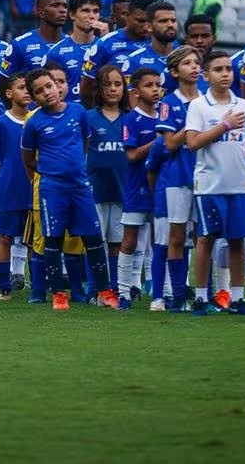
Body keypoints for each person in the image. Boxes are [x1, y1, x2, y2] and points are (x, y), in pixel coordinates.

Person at [20, 68, 118, 311]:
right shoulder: (34, 122)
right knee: (53, 241)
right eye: (39, 91)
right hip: (52, 189)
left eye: (49, 86)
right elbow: (28, 158)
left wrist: (75, 169)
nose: (47, 93)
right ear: (34, 97)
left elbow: (84, 143)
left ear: (58, 85)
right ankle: (58, 294)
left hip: (80, 188)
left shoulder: (78, 112)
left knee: (93, 239)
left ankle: (105, 292)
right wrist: (49, 172)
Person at [183, 50, 245, 317]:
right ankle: (201, 297)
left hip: (239, 185)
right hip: (210, 186)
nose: (225, 73)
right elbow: (192, 142)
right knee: (206, 240)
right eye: (218, 69)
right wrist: (223, 126)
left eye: (228, 68)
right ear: (206, 75)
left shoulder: (244, 106)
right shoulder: (199, 106)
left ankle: (237, 298)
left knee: (237, 241)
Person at [155, 45, 201, 311]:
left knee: (201, 237)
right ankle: (177, 295)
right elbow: (170, 143)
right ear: (174, 71)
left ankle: (203, 293)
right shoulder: (170, 103)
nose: (194, 67)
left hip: (206, 175)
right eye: (187, 63)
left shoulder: (207, 98)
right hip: (179, 175)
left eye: (196, 62)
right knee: (176, 236)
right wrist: (193, 124)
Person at [86, 65, 130, 302]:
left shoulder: (130, 119)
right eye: (107, 84)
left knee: (116, 242)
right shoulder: (89, 117)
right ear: (98, 89)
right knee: (95, 241)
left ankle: (113, 287)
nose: (113, 89)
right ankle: (94, 288)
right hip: (95, 189)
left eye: (118, 84)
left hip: (122, 189)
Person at [119, 67, 163, 308]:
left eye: (158, 85)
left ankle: (161, 291)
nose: (155, 90)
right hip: (137, 188)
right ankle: (124, 293)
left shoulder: (164, 116)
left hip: (161, 188)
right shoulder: (131, 119)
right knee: (129, 241)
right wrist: (157, 141)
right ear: (136, 91)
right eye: (150, 85)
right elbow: (132, 155)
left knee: (161, 241)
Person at [0, 73, 32, 300]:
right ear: (8, 93)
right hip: (8, 189)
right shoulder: (1, 123)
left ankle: (39, 287)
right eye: (22, 88)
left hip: (33, 188)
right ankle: (3, 286)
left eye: (29, 88)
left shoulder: (37, 118)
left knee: (35, 239)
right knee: (5, 236)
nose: (27, 92)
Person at [80, 0, 155, 106]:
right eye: (140, 21)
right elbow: (86, 89)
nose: (146, 26)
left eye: (149, 21)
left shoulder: (161, 43)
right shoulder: (105, 44)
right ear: (128, 15)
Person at [46, 0, 106, 102]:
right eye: (85, 11)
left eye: (95, 11)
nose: (91, 16)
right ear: (72, 14)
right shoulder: (55, 53)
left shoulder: (106, 47)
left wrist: (106, 40)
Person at [1, 0, 67, 79]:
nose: (62, 10)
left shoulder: (72, 44)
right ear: (41, 13)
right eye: (55, 5)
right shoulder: (20, 45)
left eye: (65, 6)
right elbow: (4, 83)